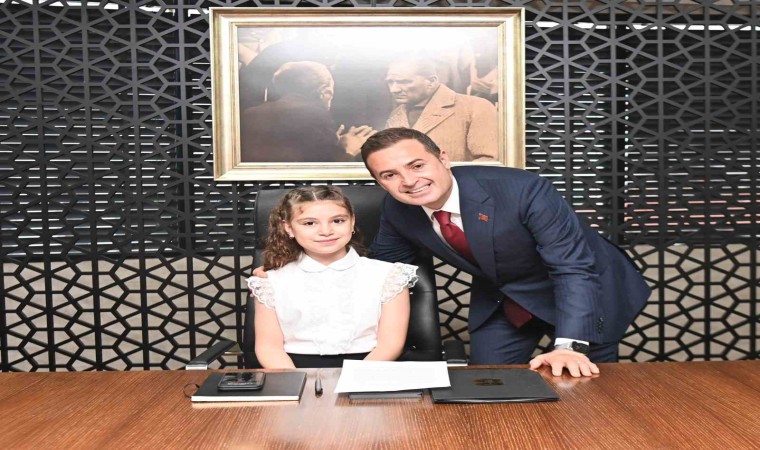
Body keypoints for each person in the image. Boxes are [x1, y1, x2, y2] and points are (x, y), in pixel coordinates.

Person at [360, 128, 652, 377]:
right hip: (505, 297)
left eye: (417, 166)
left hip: (584, 290)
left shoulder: (523, 189)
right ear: (379, 182)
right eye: (390, 174)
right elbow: (383, 271)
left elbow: (572, 267)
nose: (409, 181)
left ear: (444, 159)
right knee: (487, 382)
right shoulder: (397, 209)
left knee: (585, 386)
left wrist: (569, 347)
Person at [247, 185, 416, 368]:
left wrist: (355, 378)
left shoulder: (390, 275)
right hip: (292, 370)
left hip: (372, 368)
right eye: (309, 223)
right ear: (288, 228)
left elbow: (390, 345)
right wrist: (298, 381)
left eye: (337, 221)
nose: (326, 231)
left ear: (352, 222)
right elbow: (269, 348)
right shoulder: (270, 282)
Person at [239, 61, 374, 163]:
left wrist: (334, 145)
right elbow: (323, 173)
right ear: (325, 92)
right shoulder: (314, 114)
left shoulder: (250, 114)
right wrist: (349, 150)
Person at [384, 58, 498, 162]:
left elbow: (488, 162)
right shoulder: (396, 115)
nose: (394, 89)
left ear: (431, 81)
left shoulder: (476, 107)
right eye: (390, 82)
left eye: (404, 82)